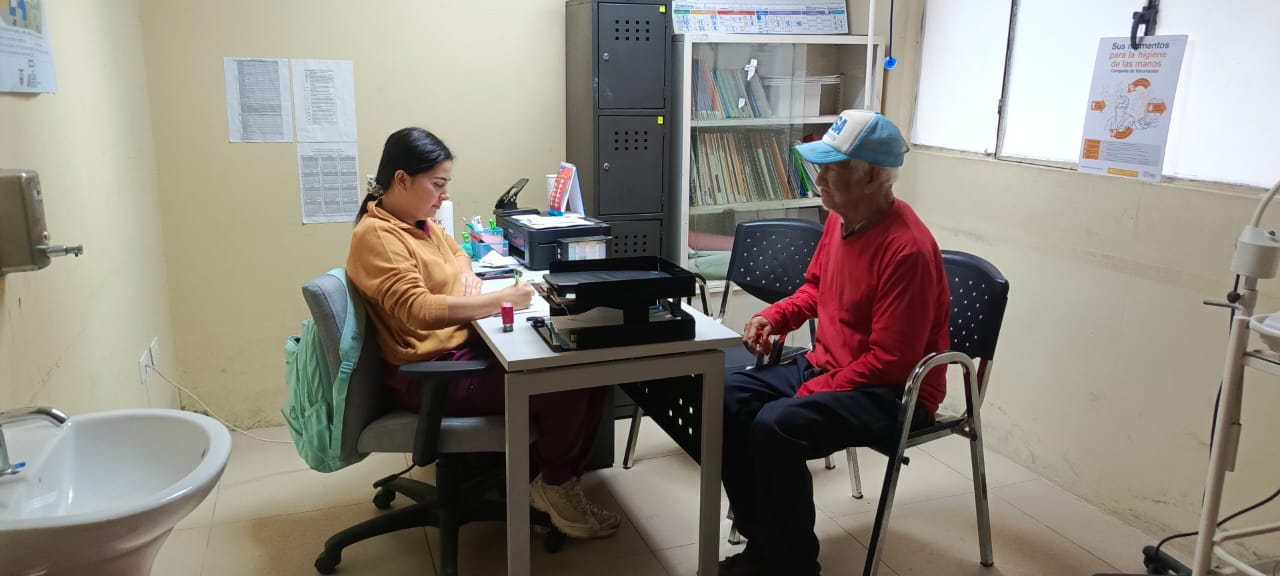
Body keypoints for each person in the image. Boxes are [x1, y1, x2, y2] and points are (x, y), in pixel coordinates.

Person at [346, 127, 620, 540]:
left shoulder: (415, 222)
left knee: (591, 367)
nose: (444, 197)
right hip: (433, 375)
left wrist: (467, 276)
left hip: (457, 353)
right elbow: (418, 310)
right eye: (437, 184)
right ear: (401, 179)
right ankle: (555, 484)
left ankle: (548, 480)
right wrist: (501, 299)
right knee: (566, 382)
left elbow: (457, 251)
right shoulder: (378, 236)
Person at [718, 110, 951, 576]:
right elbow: (816, 289)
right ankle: (764, 548)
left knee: (776, 425)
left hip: (893, 392)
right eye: (819, 166)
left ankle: (792, 566)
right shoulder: (840, 220)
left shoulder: (906, 250)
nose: (819, 178)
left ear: (873, 178)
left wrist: (810, 390)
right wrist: (772, 316)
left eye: (832, 168)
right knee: (726, 398)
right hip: (835, 367)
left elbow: (890, 363)